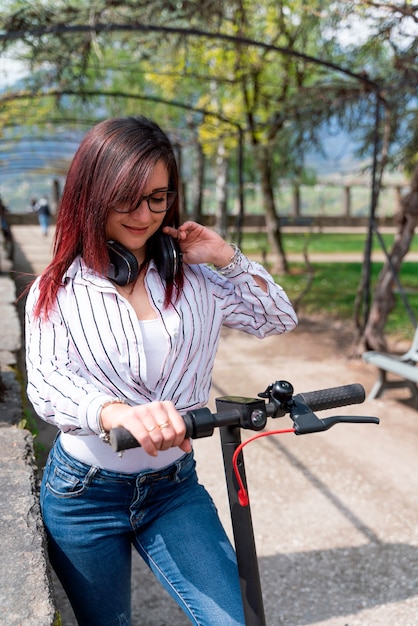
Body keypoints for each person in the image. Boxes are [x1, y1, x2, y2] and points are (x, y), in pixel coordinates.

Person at [25, 116, 297, 626]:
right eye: (127, 196)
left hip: (173, 486)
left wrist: (225, 257)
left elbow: (276, 317)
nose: (144, 214)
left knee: (236, 621)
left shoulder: (195, 278)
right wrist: (114, 412)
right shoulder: (56, 290)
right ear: (92, 192)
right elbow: (46, 383)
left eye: (158, 198)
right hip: (83, 493)